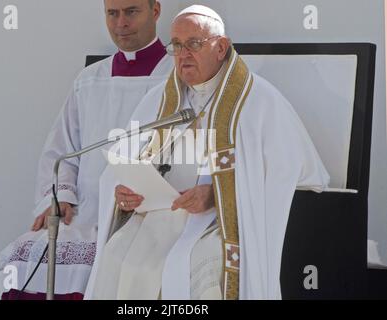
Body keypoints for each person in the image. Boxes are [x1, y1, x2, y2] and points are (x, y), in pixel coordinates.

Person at [84, 5, 330, 300]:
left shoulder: (258, 101)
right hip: (161, 216)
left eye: (194, 44)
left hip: (219, 222)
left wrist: (216, 193)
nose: (184, 54)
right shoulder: (159, 100)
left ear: (221, 47)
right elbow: (126, 164)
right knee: (117, 254)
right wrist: (125, 196)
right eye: (176, 46)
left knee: (196, 262)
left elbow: (293, 173)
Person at [0, 0, 173, 300]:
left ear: (155, 11)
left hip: (146, 211)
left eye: (131, 12)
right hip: (84, 211)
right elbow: (61, 148)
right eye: (112, 13)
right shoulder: (90, 80)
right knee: (20, 259)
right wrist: (61, 196)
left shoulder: (176, 76)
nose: (121, 24)